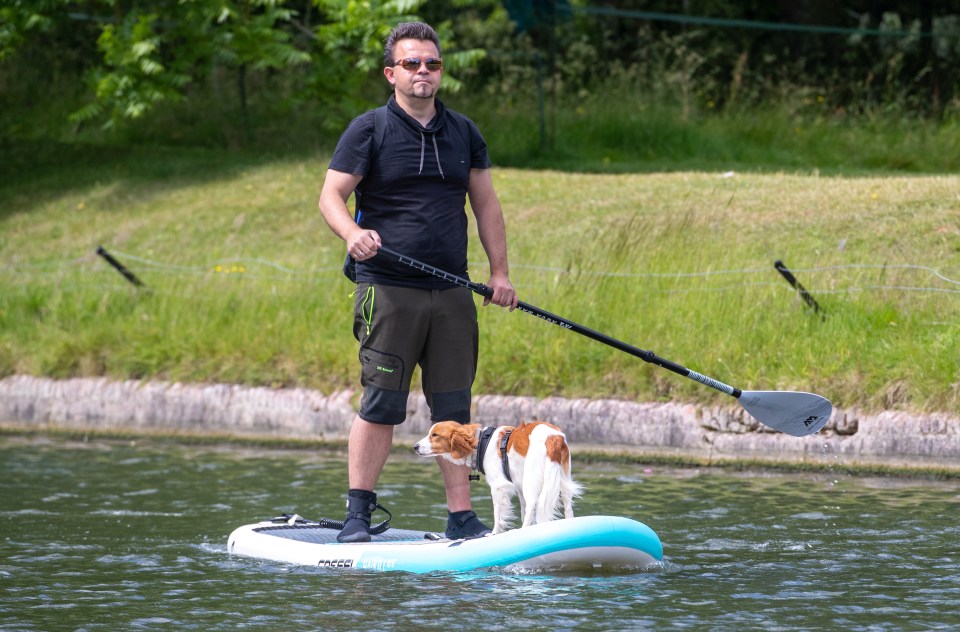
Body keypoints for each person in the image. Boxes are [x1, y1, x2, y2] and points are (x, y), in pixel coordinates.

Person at [318, 21, 518, 543]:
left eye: (431, 63)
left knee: (454, 408)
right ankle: (358, 514)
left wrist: (499, 273)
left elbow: (486, 204)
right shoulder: (369, 130)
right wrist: (352, 233)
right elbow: (331, 197)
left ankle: (461, 517)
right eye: (411, 64)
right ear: (392, 73)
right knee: (382, 403)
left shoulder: (464, 132)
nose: (423, 71)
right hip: (387, 289)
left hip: (452, 291)